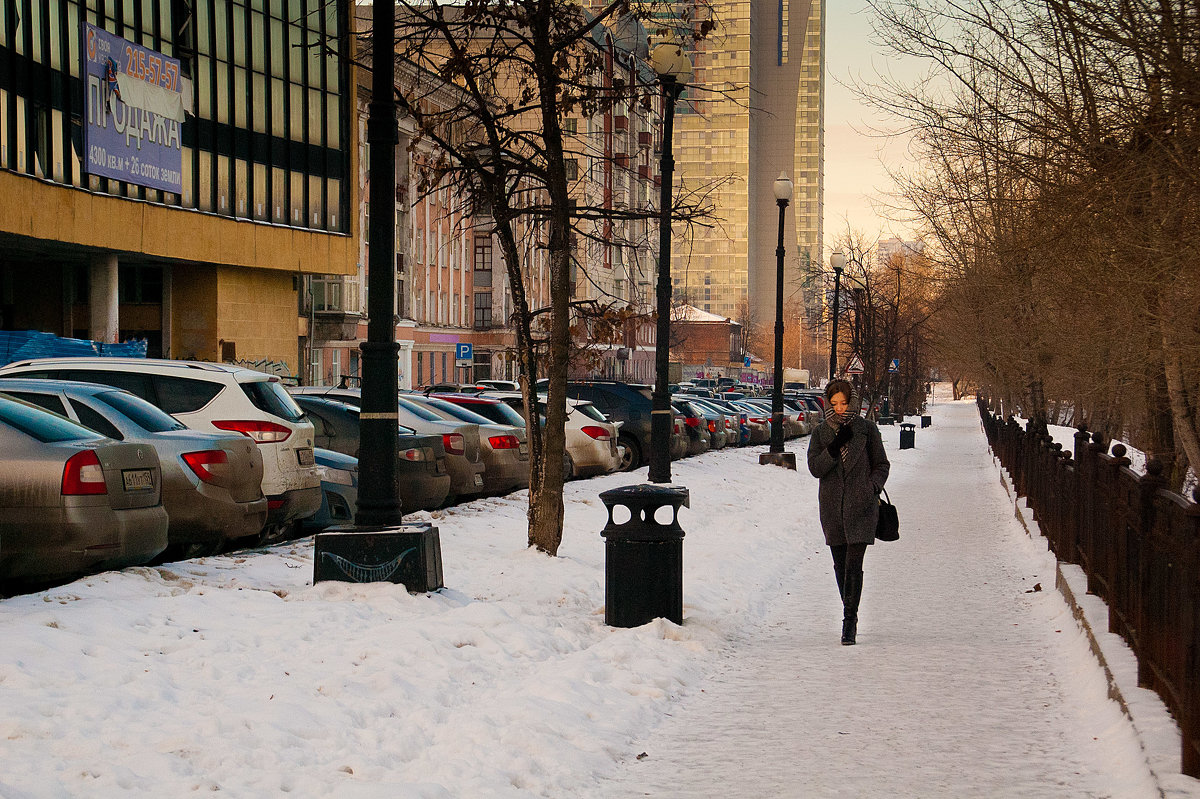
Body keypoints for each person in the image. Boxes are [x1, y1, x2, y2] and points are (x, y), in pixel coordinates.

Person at [806, 379, 890, 645]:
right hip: (832, 509)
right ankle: (849, 609)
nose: (840, 409)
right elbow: (815, 468)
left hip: (861, 507)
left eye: (844, 403)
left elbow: (882, 464)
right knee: (840, 566)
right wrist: (833, 447)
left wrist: (872, 487)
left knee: (854, 565)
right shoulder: (821, 433)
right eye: (834, 404)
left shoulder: (867, 430)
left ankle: (849, 622)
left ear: (852, 401)